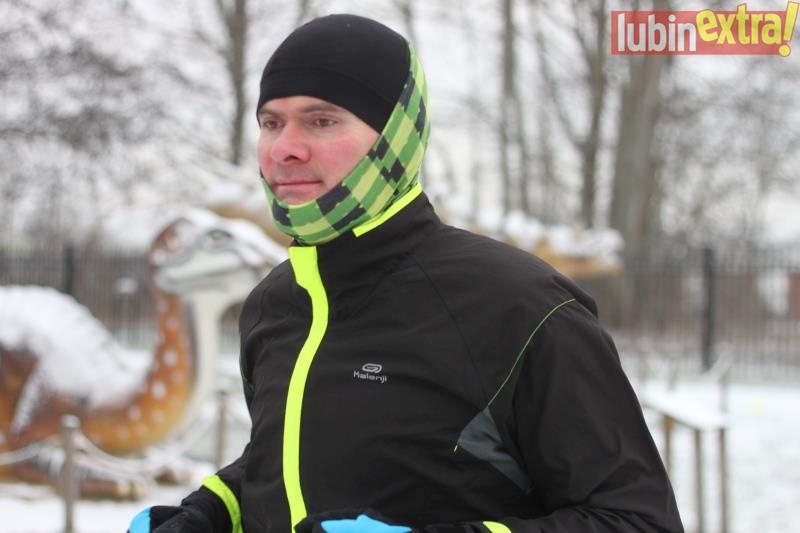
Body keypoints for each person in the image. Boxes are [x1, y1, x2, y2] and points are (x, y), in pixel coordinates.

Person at [128, 13, 684, 533]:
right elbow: (297, 457)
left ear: (395, 135)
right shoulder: (273, 304)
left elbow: (636, 520)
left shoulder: (522, 308)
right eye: (271, 123)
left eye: (322, 120)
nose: (284, 149)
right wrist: (214, 512)